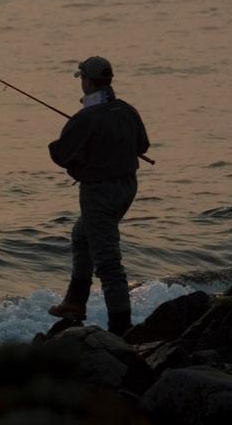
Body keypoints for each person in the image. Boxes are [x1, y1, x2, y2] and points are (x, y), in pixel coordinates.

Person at [48, 56, 150, 335]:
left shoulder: (85, 118)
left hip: (99, 194)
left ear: (88, 82)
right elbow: (143, 144)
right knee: (82, 235)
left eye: (82, 78)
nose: (81, 82)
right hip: (127, 188)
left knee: (107, 263)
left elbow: (61, 154)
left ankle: (120, 328)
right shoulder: (127, 110)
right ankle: (75, 302)